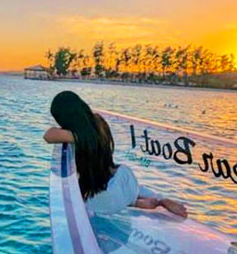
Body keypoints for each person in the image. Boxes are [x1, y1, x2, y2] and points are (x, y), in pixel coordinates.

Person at [44, 91, 187, 218]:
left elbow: (48, 136)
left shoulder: (79, 136)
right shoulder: (99, 122)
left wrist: (77, 136)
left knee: (94, 201)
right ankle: (150, 200)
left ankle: (133, 202)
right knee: (128, 188)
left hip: (105, 198)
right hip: (124, 178)